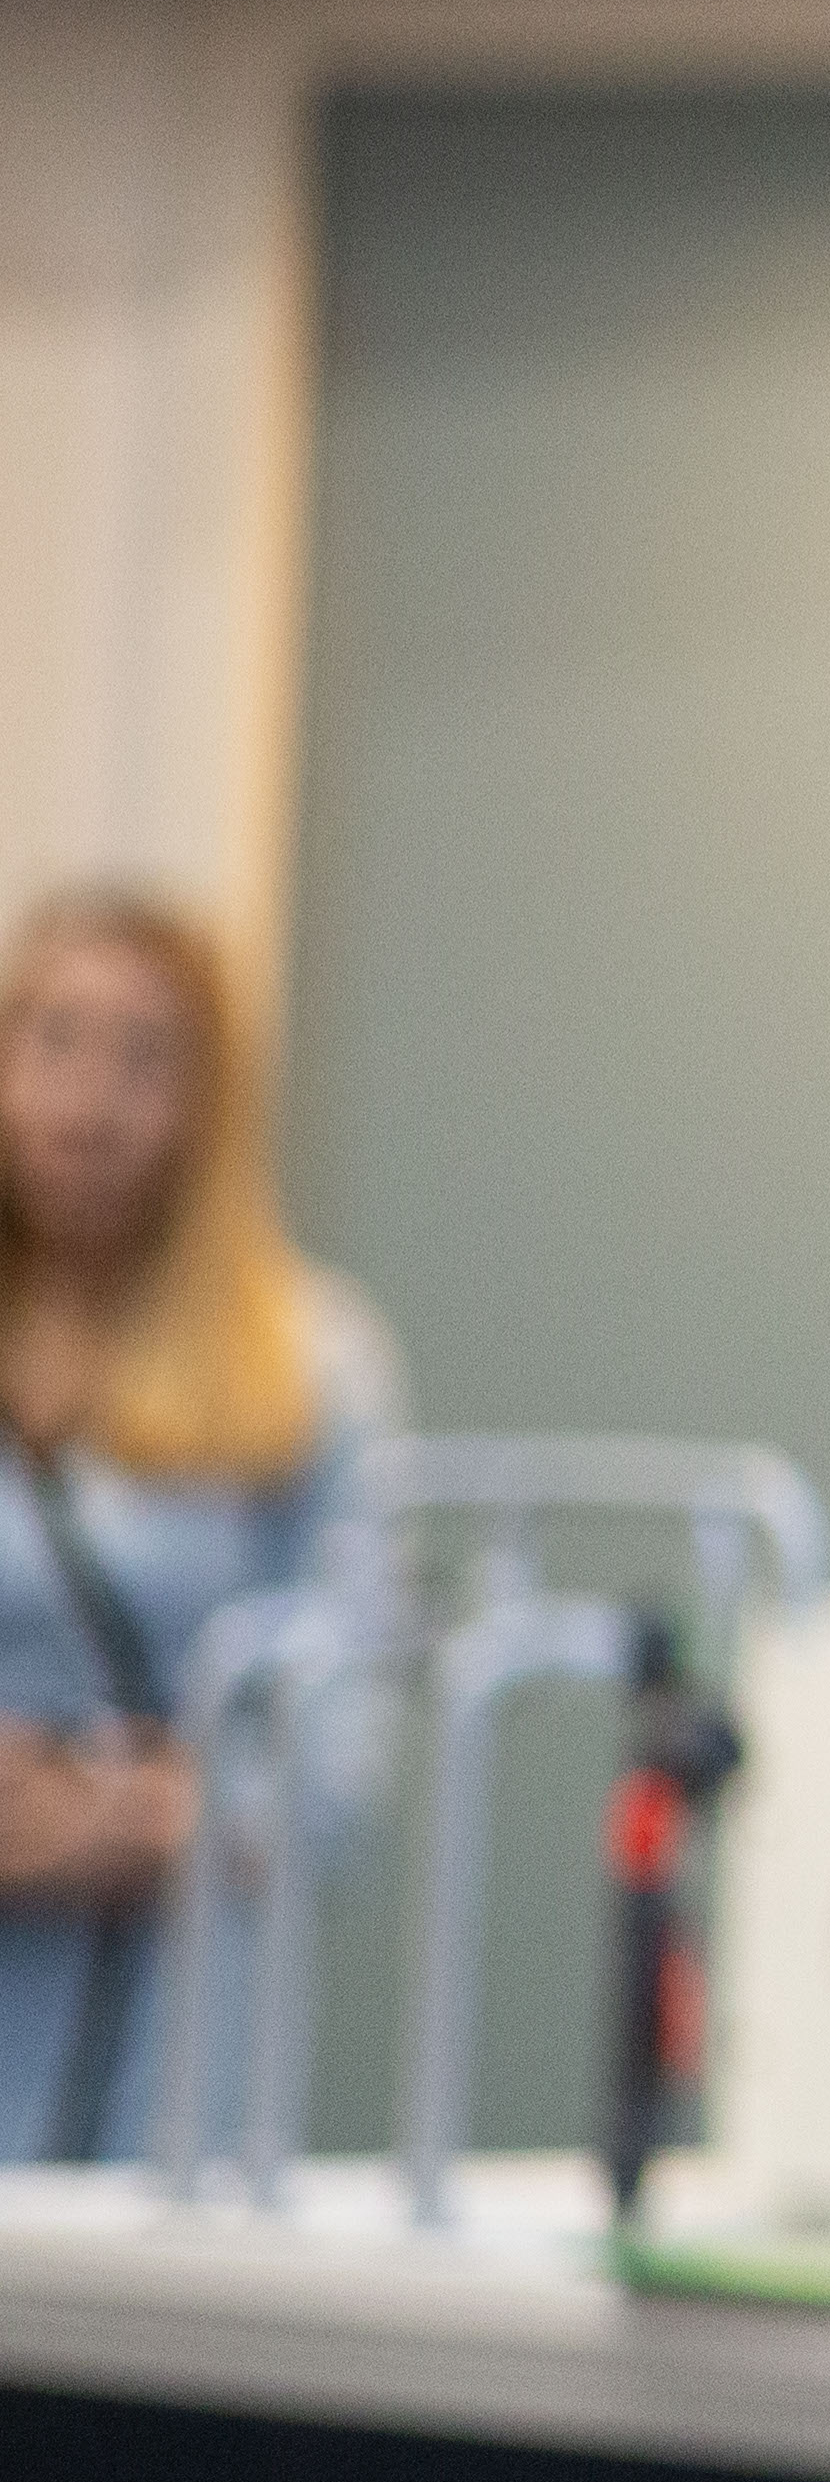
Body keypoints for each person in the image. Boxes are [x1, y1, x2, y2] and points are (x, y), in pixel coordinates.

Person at [0, 886, 403, 2161]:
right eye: (54, 1040)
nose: (88, 1105)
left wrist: (159, 1815)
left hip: (177, 2043)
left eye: (143, 1059)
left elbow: (344, 1751)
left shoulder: (311, 1365)